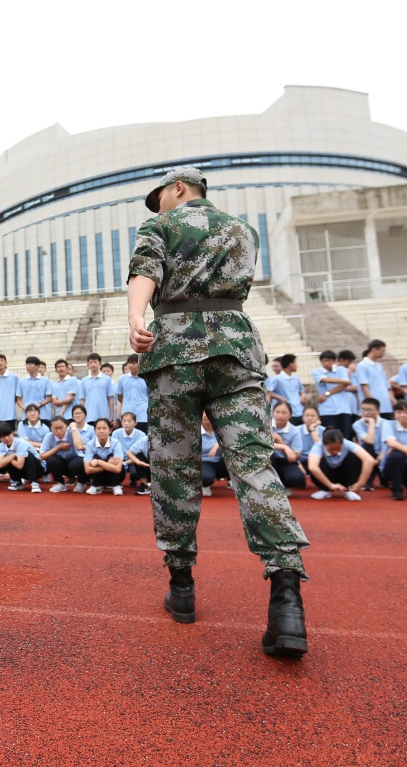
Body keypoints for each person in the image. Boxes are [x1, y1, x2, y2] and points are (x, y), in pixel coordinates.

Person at [128, 165, 309, 657]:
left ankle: (182, 585)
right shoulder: (242, 230)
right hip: (236, 350)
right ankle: (287, 596)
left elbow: (145, 271)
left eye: (161, 194)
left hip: (175, 352)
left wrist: (135, 317)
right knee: (253, 464)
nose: (158, 204)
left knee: (174, 467)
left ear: (179, 188)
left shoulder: (160, 227)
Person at [305, 429, 376, 501]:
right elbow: (312, 467)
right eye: (331, 449)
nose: (335, 451)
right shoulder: (318, 446)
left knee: (355, 457)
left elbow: (369, 460)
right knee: (315, 462)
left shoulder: (347, 443)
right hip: (327, 475)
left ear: (342, 444)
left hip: (344, 473)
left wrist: (360, 484)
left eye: (338, 448)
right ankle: (324, 489)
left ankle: (350, 489)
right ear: (325, 445)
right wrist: (330, 485)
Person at [39, 416, 86, 492]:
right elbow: (42, 456)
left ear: (66, 426)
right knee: (51, 460)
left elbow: (80, 447)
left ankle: (81, 482)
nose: (58, 431)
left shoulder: (72, 432)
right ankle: (60, 484)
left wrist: (74, 429)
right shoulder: (49, 436)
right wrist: (59, 447)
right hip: (62, 463)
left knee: (76, 464)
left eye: (61, 427)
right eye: (55, 428)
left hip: (76, 460)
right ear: (51, 428)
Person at [312, 350, 353, 437]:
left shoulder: (341, 370)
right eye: (323, 361)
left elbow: (344, 385)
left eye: (329, 360)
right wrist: (344, 381)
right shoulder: (316, 372)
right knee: (329, 435)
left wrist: (327, 393)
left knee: (346, 435)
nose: (326, 363)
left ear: (334, 361)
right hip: (327, 409)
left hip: (343, 407)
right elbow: (327, 380)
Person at [0, 422, 44, 491]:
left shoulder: (21, 443)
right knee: (7, 460)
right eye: (3, 437)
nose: (6, 438)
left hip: (38, 469)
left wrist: (8, 457)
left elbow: (19, 465)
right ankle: (18, 482)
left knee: (28, 455)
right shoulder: (2, 446)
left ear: (12, 433)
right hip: (23, 471)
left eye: (8, 435)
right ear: (0, 438)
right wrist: (13, 455)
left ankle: (34, 483)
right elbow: (0, 465)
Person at [82, 418, 126, 495]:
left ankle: (116, 485)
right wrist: (107, 463)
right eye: (98, 428)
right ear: (95, 431)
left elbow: (118, 469)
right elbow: (87, 470)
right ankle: (96, 485)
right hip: (99, 475)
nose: (101, 431)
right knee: (94, 459)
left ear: (110, 430)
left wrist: (99, 462)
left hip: (115, 475)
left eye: (104, 428)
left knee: (111, 457)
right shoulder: (90, 444)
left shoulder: (116, 443)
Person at [270, 401, 306, 492]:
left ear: (290, 415)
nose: (280, 415)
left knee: (296, 478)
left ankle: (284, 485)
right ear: (273, 413)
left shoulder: (294, 431)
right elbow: (261, 445)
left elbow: (296, 455)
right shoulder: (266, 426)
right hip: (269, 458)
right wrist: (284, 447)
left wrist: (280, 441)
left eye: (284, 413)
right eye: (277, 412)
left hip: (287, 461)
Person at [352, 398, 387, 491]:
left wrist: (379, 458)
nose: (366, 412)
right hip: (368, 454)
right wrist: (371, 423)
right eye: (363, 409)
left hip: (383, 453)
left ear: (378, 411)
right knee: (367, 447)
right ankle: (368, 481)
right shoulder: (357, 424)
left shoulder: (386, 424)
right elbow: (369, 440)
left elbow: (388, 444)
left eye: (370, 410)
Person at [357, 340, 394, 419]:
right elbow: (364, 386)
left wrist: (392, 399)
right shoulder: (362, 365)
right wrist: (372, 404)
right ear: (374, 350)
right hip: (374, 407)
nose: (383, 353)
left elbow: (386, 386)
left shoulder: (378, 366)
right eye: (382, 351)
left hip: (385, 405)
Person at [112, 412, 147, 488]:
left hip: (133, 460)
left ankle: (134, 480)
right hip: (119, 459)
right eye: (124, 421)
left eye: (129, 421)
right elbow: (113, 450)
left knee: (134, 473)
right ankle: (115, 483)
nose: (126, 423)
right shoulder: (115, 433)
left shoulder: (142, 435)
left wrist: (126, 462)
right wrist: (121, 462)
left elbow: (140, 454)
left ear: (135, 423)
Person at [0, 354, 21, 432]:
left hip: (10, 415)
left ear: (6, 363)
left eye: (2, 361)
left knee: (9, 436)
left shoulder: (14, 377)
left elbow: (17, 395)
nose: (0, 363)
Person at [117, 354, 150, 432]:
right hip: (127, 415)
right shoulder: (122, 379)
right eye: (129, 363)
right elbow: (120, 396)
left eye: (134, 363)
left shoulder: (146, 378)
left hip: (143, 415)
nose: (131, 365)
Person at [268, 354, 305, 424]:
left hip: (299, 411)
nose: (297, 365)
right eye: (295, 363)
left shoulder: (296, 378)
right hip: (287, 413)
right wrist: (279, 397)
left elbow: (301, 390)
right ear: (290, 364)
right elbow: (268, 392)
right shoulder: (277, 379)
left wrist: (303, 396)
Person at [19, 356, 53, 425]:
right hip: (27, 415)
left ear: (37, 366)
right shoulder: (22, 381)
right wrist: (25, 408)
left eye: (31, 364)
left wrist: (40, 404)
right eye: (27, 365)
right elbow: (18, 399)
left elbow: (50, 398)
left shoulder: (46, 380)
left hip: (43, 415)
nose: (28, 367)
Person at [78, 353, 112, 422]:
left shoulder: (107, 379)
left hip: (104, 415)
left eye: (95, 362)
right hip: (89, 416)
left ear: (100, 363)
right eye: (91, 362)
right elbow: (82, 400)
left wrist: (111, 416)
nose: (93, 364)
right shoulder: (84, 380)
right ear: (88, 365)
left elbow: (110, 398)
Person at [200, 415, 227, 497]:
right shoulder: (194, 430)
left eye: (207, 414)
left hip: (222, 461)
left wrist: (217, 444)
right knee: (206, 478)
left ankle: (235, 484)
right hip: (205, 461)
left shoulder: (224, 429)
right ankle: (204, 485)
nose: (205, 416)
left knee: (238, 461)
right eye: (203, 415)